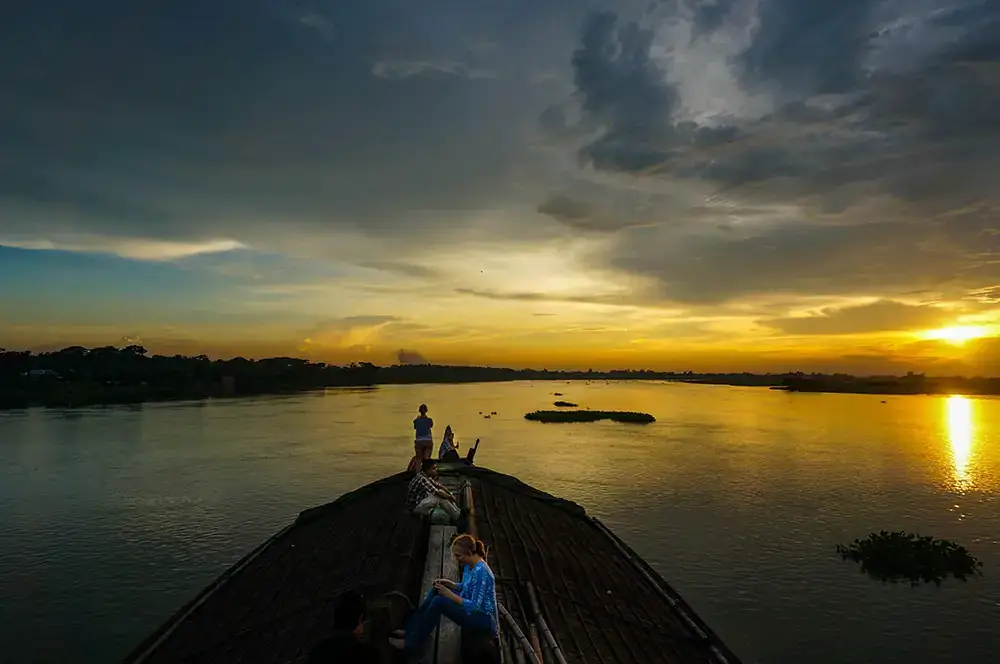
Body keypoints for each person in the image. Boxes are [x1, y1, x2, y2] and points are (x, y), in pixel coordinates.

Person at [389, 534, 498, 652]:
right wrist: (449, 584)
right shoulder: (469, 565)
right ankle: (411, 630)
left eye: (458, 556)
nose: (457, 559)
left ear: (470, 553)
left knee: (439, 602)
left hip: (482, 619)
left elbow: (474, 606)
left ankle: (413, 642)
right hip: (470, 607)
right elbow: (465, 587)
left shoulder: (481, 573)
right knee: (437, 589)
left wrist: (449, 594)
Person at [307, 590, 379, 663]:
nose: (363, 629)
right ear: (360, 619)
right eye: (363, 622)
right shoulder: (367, 654)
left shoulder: (317, 652)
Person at [406, 404, 434, 472]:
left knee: (418, 459)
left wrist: (418, 419)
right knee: (426, 459)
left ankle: (418, 473)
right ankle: (427, 472)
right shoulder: (429, 420)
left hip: (419, 441)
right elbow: (431, 425)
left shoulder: (416, 421)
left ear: (419, 411)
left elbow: (415, 427)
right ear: (426, 411)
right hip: (428, 441)